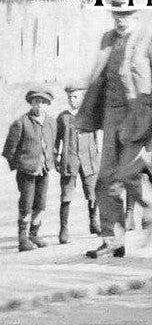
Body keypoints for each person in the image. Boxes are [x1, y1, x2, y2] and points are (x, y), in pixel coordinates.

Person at [79, 0, 152, 259]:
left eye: (127, 13)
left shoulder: (150, 37)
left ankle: (151, 214)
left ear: (136, 13)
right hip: (112, 116)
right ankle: (113, 241)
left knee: (128, 173)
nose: (121, 18)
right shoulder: (108, 38)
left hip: (141, 118)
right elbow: (99, 76)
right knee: (105, 180)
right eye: (117, 12)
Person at [4, 87, 57, 251]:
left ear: (47, 104)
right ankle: (23, 239)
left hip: (44, 170)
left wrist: (50, 161)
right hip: (26, 172)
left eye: (43, 102)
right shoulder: (20, 123)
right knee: (26, 204)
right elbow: (8, 151)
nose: (39, 106)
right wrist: (20, 165)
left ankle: (34, 234)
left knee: (40, 204)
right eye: (36, 102)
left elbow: (52, 143)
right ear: (31, 103)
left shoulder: (51, 122)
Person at [55, 82, 101, 243]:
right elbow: (56, 140)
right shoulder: (63, 117)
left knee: (92, 192)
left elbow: (96, 138)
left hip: (88, 160)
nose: (72, 100)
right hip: (70, 160)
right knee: (66, 194)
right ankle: (64, 229)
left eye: (75, 97)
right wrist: (57, 157)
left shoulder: (90, 115)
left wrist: (96, 156)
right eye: (69, 97)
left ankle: (94, 222)